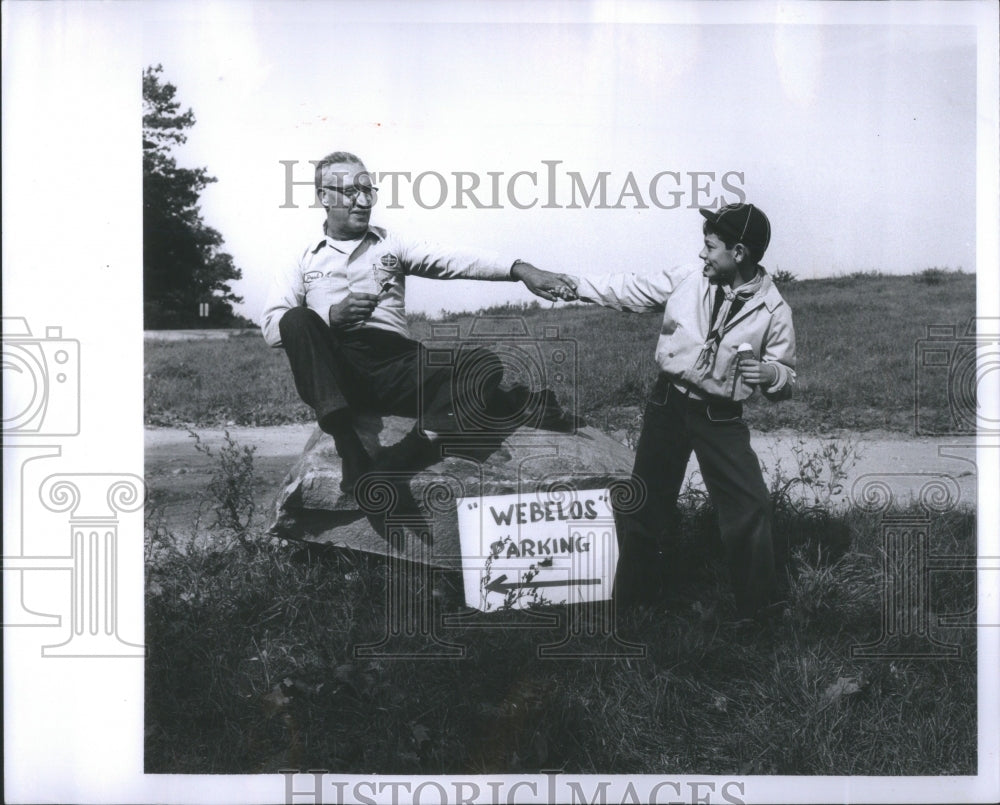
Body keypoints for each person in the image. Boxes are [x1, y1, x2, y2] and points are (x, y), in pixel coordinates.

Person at [260, 151, 577, 493]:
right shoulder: (300, 257)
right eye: (351, 191)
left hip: (398, 364)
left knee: (482, 364)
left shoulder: (391, 244)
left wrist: (522, 271)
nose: (363, 201)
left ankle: (397, 462)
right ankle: (349, 448)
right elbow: (272, 328)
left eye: (368, 191)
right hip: (339, 368)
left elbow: (454, 259)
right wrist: (332, 316)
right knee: (296, 319)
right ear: (324, 196)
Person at [565, 203, 796, 619]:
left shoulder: (774, 311)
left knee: (751, 509)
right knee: (645, 503)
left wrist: (769, 374)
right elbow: (628, 288)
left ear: (739, 253)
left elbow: (786, 375)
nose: (702, 254)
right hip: (667, 403)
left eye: (710, 246)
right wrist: (570, 283)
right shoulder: (689, 280)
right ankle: (633, 605)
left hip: (720, 417)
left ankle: (758, 617)